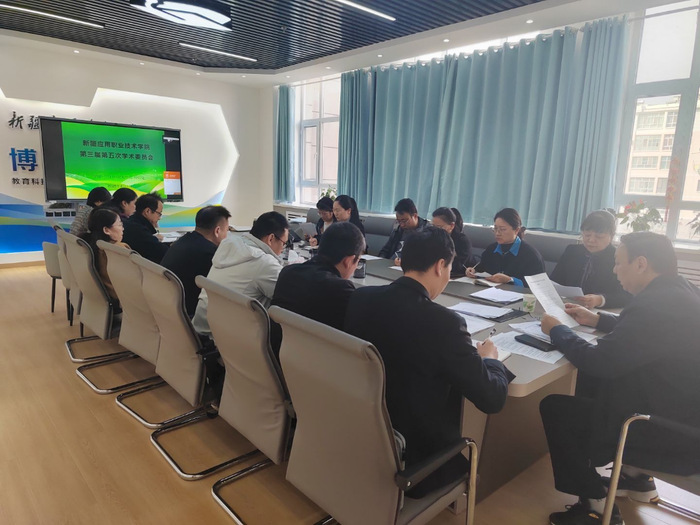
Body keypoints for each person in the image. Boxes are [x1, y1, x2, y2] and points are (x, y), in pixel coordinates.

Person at [539, 232, 700, 525]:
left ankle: (595, 507)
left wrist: (556, 330)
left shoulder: (655, 305)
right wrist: (598, 319)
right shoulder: (681, 291)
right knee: (595, 387)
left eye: (618, 262)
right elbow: (650, 334)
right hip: (682, 415)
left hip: (672, 433)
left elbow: (599, 362)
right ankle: (636, 479)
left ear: (641, 263)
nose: (615, 270)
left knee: (557, 408)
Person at [345, 227, 514, 498]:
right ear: (439, 266)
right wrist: (490, 360)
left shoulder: (361, 298)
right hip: (415, 460)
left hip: (361, 433)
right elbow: (492, 399)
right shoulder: (445, 324)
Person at [270, 221, 365, 356]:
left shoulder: (288, 273)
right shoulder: (340, 290)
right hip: (313, 363)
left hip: (277, 356)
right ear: (348, 261)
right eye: (358, 261)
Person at [193, 211, 289, 336]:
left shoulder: (229, 245)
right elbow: (291, 298)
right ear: (271, 238)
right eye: (284, 243)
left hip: (203, 326)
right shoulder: (263, 263)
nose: (283, 249)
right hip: (227, 337)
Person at [161, 205, 231, 317]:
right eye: (227, 230)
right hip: (189, 313)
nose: (227, 235)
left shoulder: (182, 241)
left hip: (167, 307)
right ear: (217, 231)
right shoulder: (210, 253)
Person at [551, 210, 631, 309]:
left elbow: (626, 296)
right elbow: (554, 281)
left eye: (599, 236)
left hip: (600, 311)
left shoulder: (618, 258)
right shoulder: (572, 251)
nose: (591, 240)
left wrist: (600, 299)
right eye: (587, 235)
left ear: (611, 236)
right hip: (567, 306)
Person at [466, 207, 544, 286]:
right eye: (495, 228)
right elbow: (481, 269)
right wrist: (473, 271)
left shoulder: (531, 255)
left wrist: (510, 280)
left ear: (516, 230)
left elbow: (538, 285)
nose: (497, 233)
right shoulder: (491, 249)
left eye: (502, 229)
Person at [80, 207, 129, 303]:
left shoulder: (90, 247)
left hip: (104, 298)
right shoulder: (118, 249)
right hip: (123, 299)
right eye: (120, 225)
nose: (123, 229)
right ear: (106, 230)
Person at [122, 192, 168, 264]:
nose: (159, 218)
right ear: (147, 211)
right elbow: (163, 252)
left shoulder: (132, 222)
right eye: (159, 214)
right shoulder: (138, 230)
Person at [431, 207, 475, 277]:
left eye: (439, 227)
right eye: (433, 226)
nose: (435, 230)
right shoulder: (430, 237)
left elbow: (459, 266)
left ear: (451, 226)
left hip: (458, 277)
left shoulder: (462, 241)